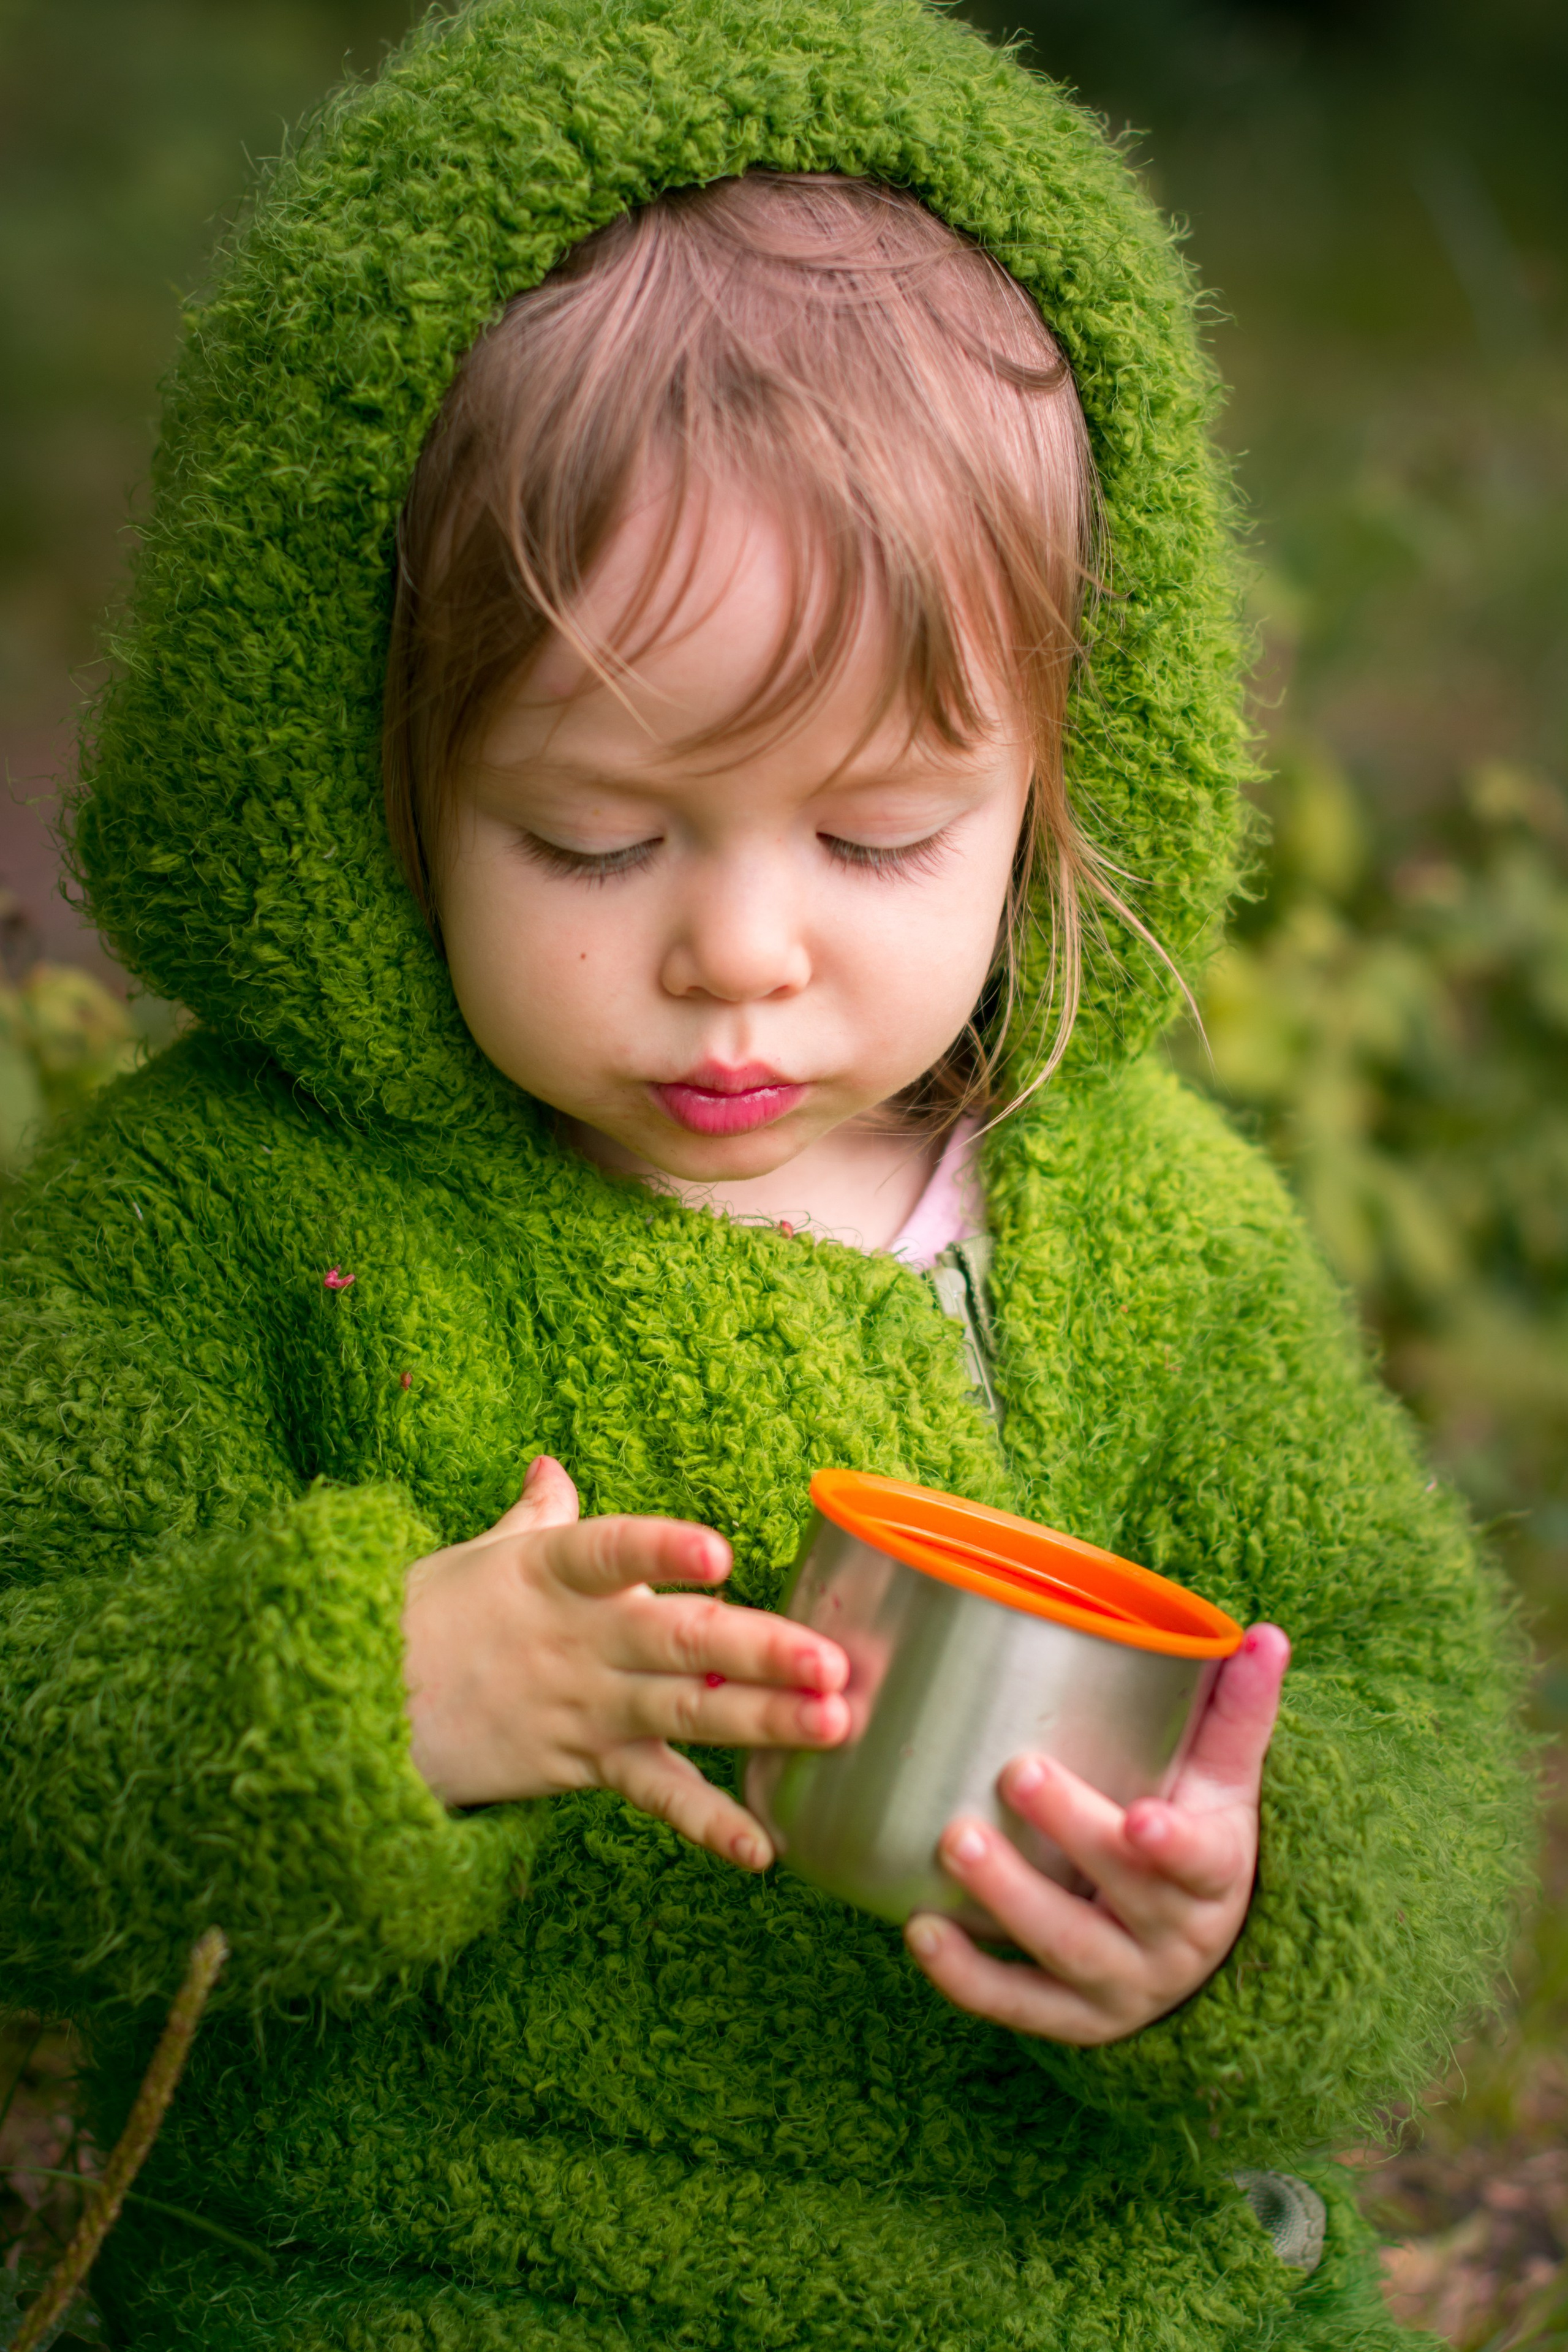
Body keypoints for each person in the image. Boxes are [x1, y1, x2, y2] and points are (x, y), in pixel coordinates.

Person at [0, 2, 1529, 2346]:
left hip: (1066, 2283)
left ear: (1057, 781)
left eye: (883, 834)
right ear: (371, 774)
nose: (741, 954)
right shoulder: (228, 1219)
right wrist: (358, 1698)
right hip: (444, 2271)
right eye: (592, 836)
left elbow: (1407, 1702)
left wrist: (1250, 1897)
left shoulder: (1134, 1226)